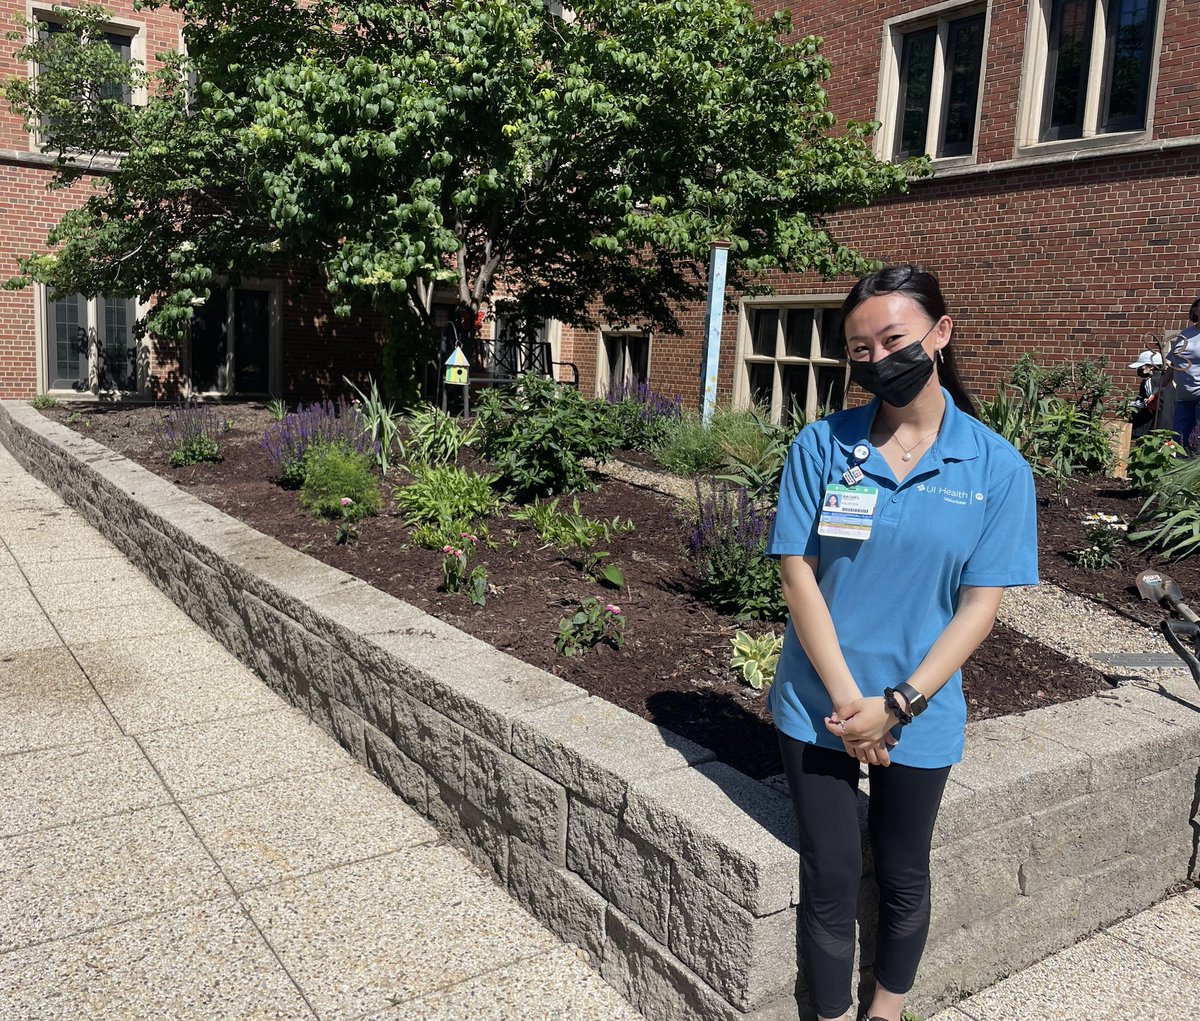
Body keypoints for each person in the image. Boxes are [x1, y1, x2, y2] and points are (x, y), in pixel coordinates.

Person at [765, 265, 1038, 1021]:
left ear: (940, 334)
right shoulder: (823, 447)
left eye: (894, 339)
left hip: (919, 710)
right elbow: (799, 579)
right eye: (860, 350)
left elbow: (980, 608)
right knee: (829, 872)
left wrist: (899, 703)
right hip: (819, 704)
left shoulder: (996, 468)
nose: (878, 360)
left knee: (902, 871)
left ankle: (885, 1013)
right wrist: (854, 705)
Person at [1164, 297, 1200, 451]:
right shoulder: (1185, 333)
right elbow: (1173, 363)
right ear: (1195, 310)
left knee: (1197, 442)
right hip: (1183, 397)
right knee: (1180, 440)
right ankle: (1179, 474)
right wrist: (1159, 385)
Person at [1128, 350, 1164, 439]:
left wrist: (1131, 405)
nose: (1138, 370)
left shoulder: (1150, 381)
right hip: (1167, 426)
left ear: (1151, 366)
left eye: (1141, 366)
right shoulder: (1167, 379)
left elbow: (1153, 404)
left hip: (1152, 427)